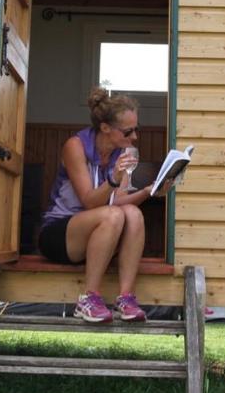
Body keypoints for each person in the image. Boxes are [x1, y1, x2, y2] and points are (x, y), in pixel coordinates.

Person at [37, 87, 163, 323]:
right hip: (59, 234)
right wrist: (114, 178)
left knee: (133, 214)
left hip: (100, 234)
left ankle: (126, 298)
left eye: (137, 129)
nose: (134, 137)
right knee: (113, 216)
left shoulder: (125, 151)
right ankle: (88, 299)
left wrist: (149, 191)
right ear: (105, 128)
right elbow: (89, 200)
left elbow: (121, 200)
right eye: (128, 131)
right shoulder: (75, 146)